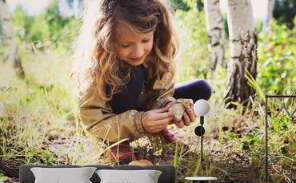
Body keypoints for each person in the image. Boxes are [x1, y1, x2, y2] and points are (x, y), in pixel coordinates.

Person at [73, 0, 211, 164]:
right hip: (112, 120)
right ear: (107, 39)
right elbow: (94, 121)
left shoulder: (158, 52)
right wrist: (140, 122)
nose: (138, 52)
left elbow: (161, 93)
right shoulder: (98, 67)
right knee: (134, 74)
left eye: (145, 40)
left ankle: (160, 130)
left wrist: (169, 106)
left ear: (156, 30)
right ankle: (117, 143)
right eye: (126, 44)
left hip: (142, 103)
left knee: (201, 89)